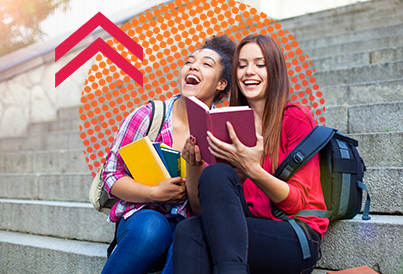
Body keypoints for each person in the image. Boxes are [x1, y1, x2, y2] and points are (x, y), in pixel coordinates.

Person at [174, 34, 329, 274]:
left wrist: (251, 169)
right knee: (189, 227)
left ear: (274, 70)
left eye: (260, 64)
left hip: (294, 233)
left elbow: (297, 202)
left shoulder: (294, 118)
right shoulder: (226, 123)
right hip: (245, 228)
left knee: (198, 232)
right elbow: (203, 209)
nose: (249, 72)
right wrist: (194, 164)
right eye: (242, 65)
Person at [101, 34, 237, 274]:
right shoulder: (148, 115)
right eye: (189, 61)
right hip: (143, 223)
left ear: (221, 84)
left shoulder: (221, 133)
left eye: (206, 64)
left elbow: (203, 206)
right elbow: (111, 174)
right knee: (153, 228)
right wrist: (154, 193)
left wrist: (195, 170)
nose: (193, 65)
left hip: (188, 225)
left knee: (191, 236)